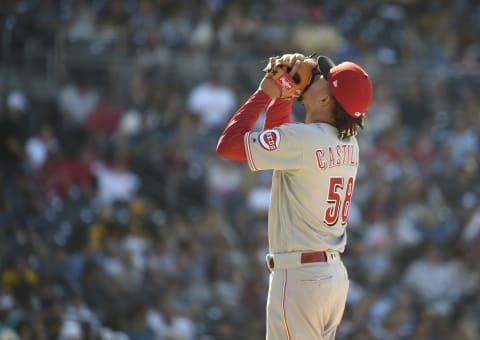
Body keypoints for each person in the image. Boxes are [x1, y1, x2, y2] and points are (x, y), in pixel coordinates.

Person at [216, 53, 373, 339]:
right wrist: (286, 95)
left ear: (326, 101)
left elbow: (228, 145)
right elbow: (279, 145)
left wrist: (268, 91)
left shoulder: (305, 141)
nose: (316, 74)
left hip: (301, 279)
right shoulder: (349, 143)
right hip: (332, 279)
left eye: (324, 79)